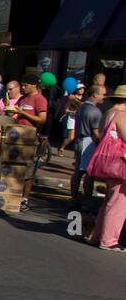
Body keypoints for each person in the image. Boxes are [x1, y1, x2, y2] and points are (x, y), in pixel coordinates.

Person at [86, 87, 126, 251]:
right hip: (120, 163)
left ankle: (97, 236)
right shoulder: (122, 115)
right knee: (119, 201)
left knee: (109, 200)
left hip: (108, 162)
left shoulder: (107, 113)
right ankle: (109, 239)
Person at [9, 72, 49, 211]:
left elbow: (42, 119)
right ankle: (13, 195)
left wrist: (24, 113)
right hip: (17, 137)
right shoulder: (24, 99)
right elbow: (17, 115)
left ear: (34, 85)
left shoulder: (39, 99)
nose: (23, 88)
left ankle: (25, 199)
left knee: (28, 171)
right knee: (16, 168)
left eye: (26, 85)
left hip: (31, 139)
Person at [72, 84, 105, 203]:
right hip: (88, 142)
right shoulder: (95, 111)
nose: (104, 97)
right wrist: (101, 144)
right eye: (102, 94)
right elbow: (96, 132)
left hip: (79, 140)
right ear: (95, 95)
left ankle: (75, 198)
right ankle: (85, 200)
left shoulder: (82, 107)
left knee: (78, 172)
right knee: (88, 173)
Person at [57, 82, 83, 156]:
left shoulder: (83, 98)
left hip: (79, 119)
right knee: (71, 137)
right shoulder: (71, 97)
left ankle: (76, 154)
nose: (82, 90)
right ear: (76, 89)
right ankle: (61, 147)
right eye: (80, 89)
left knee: (78, 137)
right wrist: (73, 111)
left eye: (83, 89)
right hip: (72, 118)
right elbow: (66, 109)